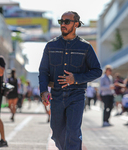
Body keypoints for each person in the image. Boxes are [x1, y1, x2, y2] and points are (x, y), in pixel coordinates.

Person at [39, 11, 102, 150]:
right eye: (61, 21)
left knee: (73, 133)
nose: (63, 24)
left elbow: (97, 71)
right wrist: (43, 91)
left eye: (67, 22)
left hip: (76, 95)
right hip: (56, 95)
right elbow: (43, 71)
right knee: (57, 134)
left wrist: (76, 79)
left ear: (76, 24)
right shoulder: (50, 46)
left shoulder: (85, 47)